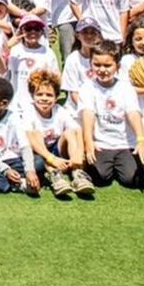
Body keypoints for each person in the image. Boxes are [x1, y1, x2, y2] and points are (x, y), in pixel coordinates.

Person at [80, 41, 144, 190]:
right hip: (102, 144)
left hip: (124, 144)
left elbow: (133, 113)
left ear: (117, 67)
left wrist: (141, 138)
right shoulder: (87, 87)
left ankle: (127, 165)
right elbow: (88, 114)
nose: (102, 70)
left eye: (107, 65)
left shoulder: (126, 87)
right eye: (97, 65)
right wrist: (89, 141)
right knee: (100, 178)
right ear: (91, 65)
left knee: (132, 180)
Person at [21, 67, 91, 199]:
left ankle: (78, 173)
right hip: (40, 155)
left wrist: (79, 155)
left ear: (57, 96)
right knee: (35, 134)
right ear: (32, 96)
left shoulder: (59, 110)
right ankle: (55, 177)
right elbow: (30, 138)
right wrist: (52, 159)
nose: (44, 99)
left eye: (49, 95)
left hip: (56, 149)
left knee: (70, 132)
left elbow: (77, 130)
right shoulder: (28, 111)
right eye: (39, 94)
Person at [6, 16, 58, 104]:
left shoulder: (48, 53)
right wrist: (8, 45)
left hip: (39, 102)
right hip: (16, 102)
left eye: (37, 29)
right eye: (28, 28)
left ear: (42, 32)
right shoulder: (14, 50)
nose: (33, 32)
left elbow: (55, 79)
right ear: (21, 31)